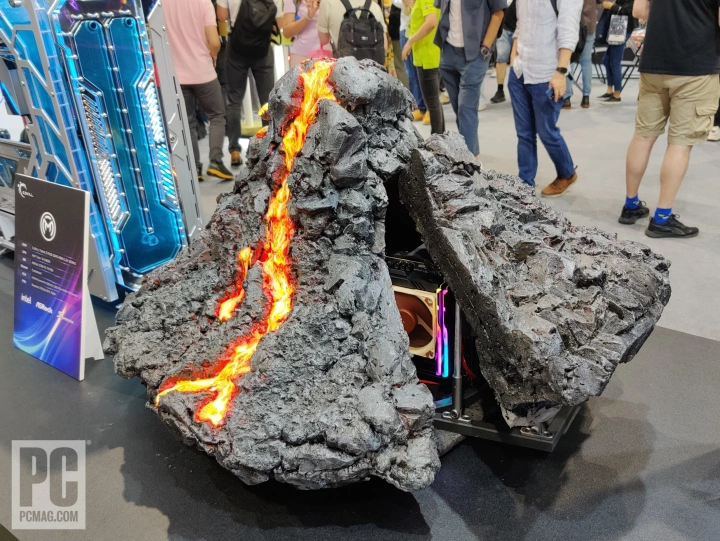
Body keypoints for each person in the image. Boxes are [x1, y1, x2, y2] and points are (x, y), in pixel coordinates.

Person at [619, 0, 720, 238]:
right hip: (696, 65)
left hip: (654, 61)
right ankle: (662, 218)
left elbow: (639, 11)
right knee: (679, 144)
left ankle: (631, 205)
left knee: (643, 136)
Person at [509, 0, 582, 194]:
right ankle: (525, 184)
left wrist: (561, 72)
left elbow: (568, 30)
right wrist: (513, 59)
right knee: (524, 133)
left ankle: (567, 173)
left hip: (547, 73)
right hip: (519, 71)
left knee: (547, 131)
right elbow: (520, 24)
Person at [164, 0, 233, 182]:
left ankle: (194, 167)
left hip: (176, 75)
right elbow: (214, 41)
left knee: (188, 122)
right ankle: (216, 161)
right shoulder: (203, 2)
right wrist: (214, 53)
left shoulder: (162, 3)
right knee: (217, 115)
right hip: (203, 72)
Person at [434, 0, 506, 157]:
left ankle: (470, 161)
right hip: (448, 52)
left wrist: (486, 46)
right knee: (459, 110)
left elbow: (498, 12)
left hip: (475, 54)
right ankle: (470, 153)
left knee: (466, 108)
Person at [217, 0, 283, 169]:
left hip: (237, 48)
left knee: (234, 100)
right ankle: (269, 148)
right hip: (262, 47)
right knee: (267, 101)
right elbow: (280, 21)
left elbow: (221, 16)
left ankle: (234, 150)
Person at [402, 0, 444, 133]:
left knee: (432, 104)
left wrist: (410, 41)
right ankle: (440, 136)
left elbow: (431, 22)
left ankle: (437, 137)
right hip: (426, 55)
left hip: (427, 56)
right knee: (434, 102)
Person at [393, 0, 428, 122]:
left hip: (424, 27)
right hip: (406, 28)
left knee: (427, 69)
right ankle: (419, 106)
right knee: (411, 72)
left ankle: (430, 108)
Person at [562, 0, 599, 109]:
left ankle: (566, 98)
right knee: (586, 61)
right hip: (589, 26)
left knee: (569, 61)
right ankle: (586, 97)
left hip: (572, 25)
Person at [598, 0, 635, 104]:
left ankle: (617, 93)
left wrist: (611, 6)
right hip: (615, 27)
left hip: (622, 28)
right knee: (607, 60)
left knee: (615, 62)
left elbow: (627, 10)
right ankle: (610, 90)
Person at [317, 0, 387, 54]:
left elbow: (324, 40)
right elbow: (384, 45)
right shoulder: (375, 7)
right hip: (371, 66)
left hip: (341, 65)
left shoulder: (327, 3)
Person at [491, 0, 516, 104]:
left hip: (522, 28)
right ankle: (500, 90)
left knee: (519, 60)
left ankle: (520, 91)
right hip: (504, 27)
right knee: (501, 57)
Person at [282, 0, 321, 67]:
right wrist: (308, 17)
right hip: (301, 55)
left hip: (327, 53)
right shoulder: (292, 1)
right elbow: (287, 32)